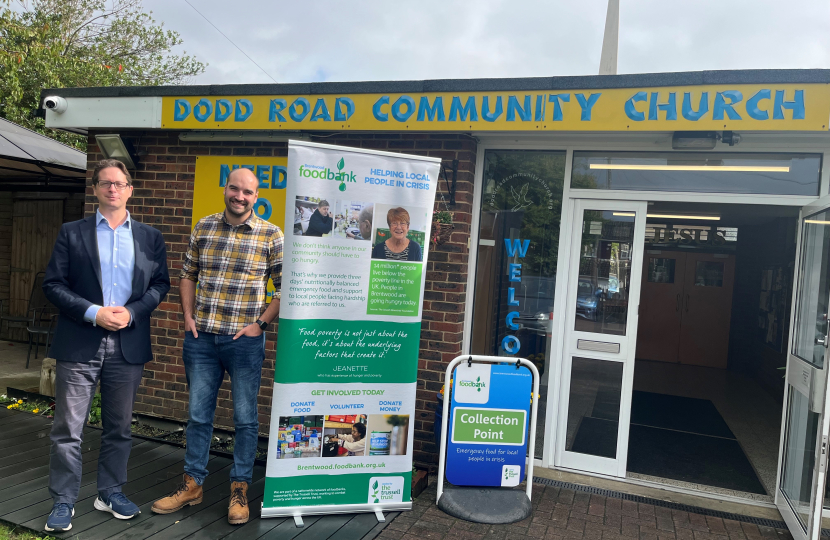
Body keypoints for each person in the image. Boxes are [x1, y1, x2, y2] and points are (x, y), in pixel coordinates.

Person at [42, 159, 171, 532]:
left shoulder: (150, 237)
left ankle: (110, 491)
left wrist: (131, 313)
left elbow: (159, 285)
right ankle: (63, 501)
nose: (112, 189)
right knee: (68, 429)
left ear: (130, 189)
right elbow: (53, 284)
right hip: (80, 341)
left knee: (119, 427)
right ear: (96, 190)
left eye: (119, 183)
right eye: (105, 184)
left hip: (127, 344)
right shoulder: (72, 232)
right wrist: (93, 312)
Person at [151, 168, 283, 525]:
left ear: (257, 196)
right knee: (197, 416)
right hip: (202, 340)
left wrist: (261, 325)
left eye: (248, 192)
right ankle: (192, 485)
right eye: (235, 189)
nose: (240, 196)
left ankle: (239, 490)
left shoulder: (271, 235)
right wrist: (188, 317)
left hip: (244, 343)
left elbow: (285, 289)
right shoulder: (203, 227)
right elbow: (187, 274)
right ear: (225, 189)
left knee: (245, 419)